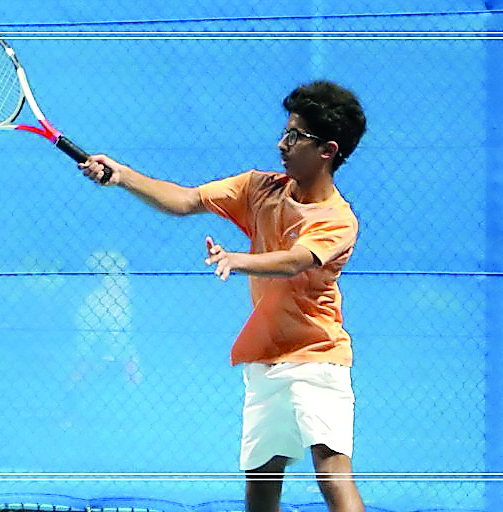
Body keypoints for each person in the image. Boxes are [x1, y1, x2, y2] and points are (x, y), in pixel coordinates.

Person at [79, 80, 367, 512]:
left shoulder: (338, 219)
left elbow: (295, 260)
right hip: (265, 360)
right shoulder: (259, 188)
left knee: (331, 471)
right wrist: (122, 176)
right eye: (284, 132)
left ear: (327, 150)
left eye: (294, 136)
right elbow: (186, 200)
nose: (281, 143)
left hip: (319, 359)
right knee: (261, 485)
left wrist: (238, 260)